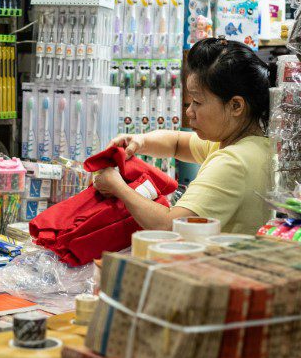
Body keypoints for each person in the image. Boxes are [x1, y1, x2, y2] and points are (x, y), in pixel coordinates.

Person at [93, 38, 273, 234]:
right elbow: (177, 143)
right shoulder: (251, 144)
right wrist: (140, 140)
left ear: (236, 106)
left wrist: (118, 187)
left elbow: (170, 226)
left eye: (197, 101)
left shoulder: (233, 163)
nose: (189, 112)